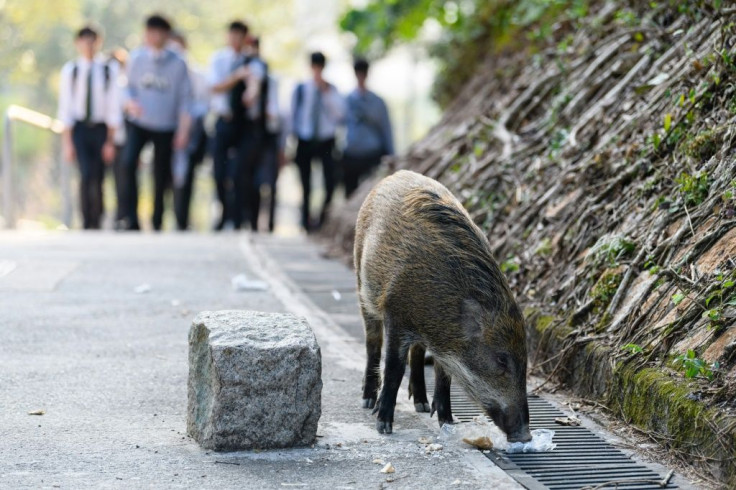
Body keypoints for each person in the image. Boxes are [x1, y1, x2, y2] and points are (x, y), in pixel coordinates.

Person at [120, 14, 191, 231]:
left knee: (161, 174)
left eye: (159, 32)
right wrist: (130, 103)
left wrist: (183, 130)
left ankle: (157, 219)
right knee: (128, 162)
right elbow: (126, 88)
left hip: (166, 126)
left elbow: (185, 100)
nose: (154, 36)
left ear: (167, 35)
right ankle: (130, 217)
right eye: (151, 31)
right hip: (139, 123)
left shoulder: (179, 63)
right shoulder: (137, 58)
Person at [57, 26, 121, 229]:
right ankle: (86, 221)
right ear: (78, 43)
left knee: (99, 176)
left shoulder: (108, 70)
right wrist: (67, 142)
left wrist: (111, 140)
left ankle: (98, 220)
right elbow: (65, 108)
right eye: (84, 40)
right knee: (85, 175)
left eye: (92, 40)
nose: (88, 45)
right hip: (80, 128)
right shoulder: (71, 71)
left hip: (101, 128)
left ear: (98, 42)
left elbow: (113, 107)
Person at [208, 21, 265, 231]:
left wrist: (250, 92)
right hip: (224, 120)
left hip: (244, 125)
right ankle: (223, 214)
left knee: (240, 172)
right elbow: (214, 87)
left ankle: (239, 218)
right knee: (219, 172)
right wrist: (236, 76)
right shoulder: (218, 59)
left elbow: (255, 83)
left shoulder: (253, 62)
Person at [291, 51, 345, 232]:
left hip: (326, 140)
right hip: (305, 140)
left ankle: (322, 218)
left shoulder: (332, 89)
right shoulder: (301, 89)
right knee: (305, 184)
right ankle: (305, 222)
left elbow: (340, 115)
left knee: (330, 182)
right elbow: (293, 117)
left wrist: (326, 92)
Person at [168, 31, 210, 231]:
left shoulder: (198, 75)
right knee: (166, 175)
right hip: (167, 129)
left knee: (187, 176)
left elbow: (203, 103)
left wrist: (188, 122)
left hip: (191, 132)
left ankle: (182, 220)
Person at [342, 58, 394, 198]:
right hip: (351, 154)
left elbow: (386, 128)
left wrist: (391, 154)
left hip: (372, 154)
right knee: (350, 195)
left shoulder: (377, 102)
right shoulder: (347, 100)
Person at [108, 47, 129, 230]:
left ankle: (124, 216)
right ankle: (116, 216)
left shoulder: (127, 84)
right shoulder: (106, 84)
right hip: (109, 139)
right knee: (114, 180)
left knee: (124, 180)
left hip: (125, 140)